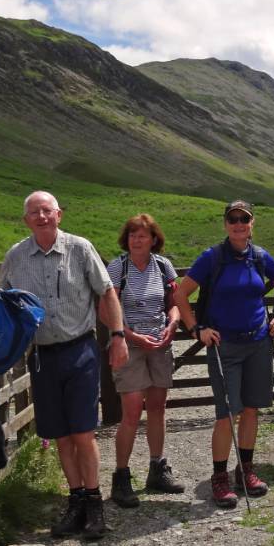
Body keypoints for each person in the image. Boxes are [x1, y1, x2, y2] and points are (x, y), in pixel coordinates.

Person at [0, 191, 129, 539]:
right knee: (61, 436)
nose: (41, 217)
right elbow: (2, 300)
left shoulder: (80, 248)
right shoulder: (16, 256)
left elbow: (107, 292)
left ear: (59, 215)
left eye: (46, 211)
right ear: (26, 220)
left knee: (83, 432)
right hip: (41, 356)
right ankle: (76, 502)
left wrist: (118, 337)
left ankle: (95, 503)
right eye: (34, 212)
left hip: (80, 350)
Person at [173, 200, 274, 509]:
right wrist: (196, 328)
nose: (239, 224)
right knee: (227, 413)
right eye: (233, 219)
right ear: (225, 224)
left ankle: (245, 471)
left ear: (252, 222)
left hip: (258, 342)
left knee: (251, 409)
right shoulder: (212, 258)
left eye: (244, 219)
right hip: (223, 346)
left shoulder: (259, 256)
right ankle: (219, 478)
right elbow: (180, 294)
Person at [104, 214, 185, 508]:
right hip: (130, 346)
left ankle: (157, 469)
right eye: (132, 235)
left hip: (160, 344)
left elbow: (175, 305)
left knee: (158, 409)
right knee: (131, 412)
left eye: (143, 235)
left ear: (154, 239)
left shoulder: (163, 266)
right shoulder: (118, 267)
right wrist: (129, 336)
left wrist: (172, 326)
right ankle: (122, 477)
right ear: (126, 239)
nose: (137, 240)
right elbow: (107, 309)